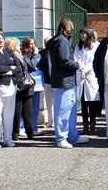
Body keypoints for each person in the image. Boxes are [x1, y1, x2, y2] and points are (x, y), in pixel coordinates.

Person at [47, 17, 89, 149]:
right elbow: (64, 61)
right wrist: (77, 64)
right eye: (71, 28)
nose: (72, 31)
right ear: (66, 28)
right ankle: (61, 138)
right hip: (64, 80)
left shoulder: (59, 40)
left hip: (65, 80)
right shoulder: (63, 41)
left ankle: (71, 136)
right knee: (63, 111)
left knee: (70, 110)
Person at [5, 37, 33, 141]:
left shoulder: (21, 56)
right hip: (18, 87)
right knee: (17, 112)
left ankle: (30, 132)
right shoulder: (10, 57)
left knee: (28, 112)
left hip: (26, 86)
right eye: (17, 44)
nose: (19, 46)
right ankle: (15, 134)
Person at [74, 27, 99, 135]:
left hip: (90, 76)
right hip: (80, 75)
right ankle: (85, 126)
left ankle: (93, 125)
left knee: (91, 102)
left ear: (89, 35)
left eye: (84, 33)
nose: (82, 35)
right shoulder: (78, 46)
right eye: (81, 33)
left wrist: (84, 69)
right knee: (83, 103)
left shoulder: (95, 45)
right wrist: (79, 66)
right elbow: (75, 57)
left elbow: (94, 60)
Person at [22, 36, 42, 135]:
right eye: (30, 44)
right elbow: (33, 65)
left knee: (36, 106)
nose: (32, 46)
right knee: (26, 107)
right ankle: (22, 127)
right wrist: (36, 56)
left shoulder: (36, 55)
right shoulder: (24, 56)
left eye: (34, 44)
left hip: (37, 83)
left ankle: (33, 128)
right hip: (27, 84)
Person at [37, 36, 55, 128]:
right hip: (47, 81)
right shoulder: (42, 53)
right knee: (48, 103)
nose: (47, 43)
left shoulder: (56, 52)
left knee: (56, 102)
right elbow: (38, 65)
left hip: (56, 81)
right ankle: (50, 121)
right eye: (46, 42)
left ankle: (56, 120)